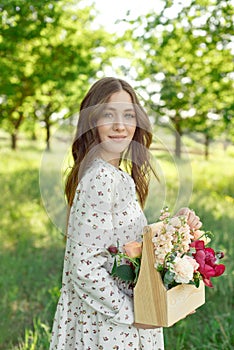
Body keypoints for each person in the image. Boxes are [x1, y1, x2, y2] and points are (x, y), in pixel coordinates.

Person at [49, 77, 165, 349]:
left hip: (112, 318)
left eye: (128, 115)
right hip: (108, 327)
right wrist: (135, 315)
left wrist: (176, 230)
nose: (120, 126)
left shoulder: (112, 175)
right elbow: (84, 267)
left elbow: (125, 246)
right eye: (108, 115)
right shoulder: (101, 178)